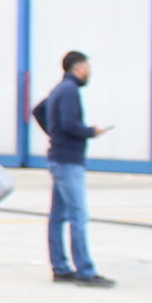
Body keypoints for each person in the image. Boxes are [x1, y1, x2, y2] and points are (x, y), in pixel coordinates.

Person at [32, 51, 115, 286]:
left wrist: (53, 133)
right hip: (68, 160)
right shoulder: (70, 91)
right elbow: (70, 124)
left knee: (58, 216)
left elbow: (38, 111)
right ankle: (85, 271)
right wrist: (91, 131)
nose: (89, 72)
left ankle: (60, 266)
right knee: (78, 215)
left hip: (59, 158)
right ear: (78, 67)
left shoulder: (59, 89)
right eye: (87, 67)